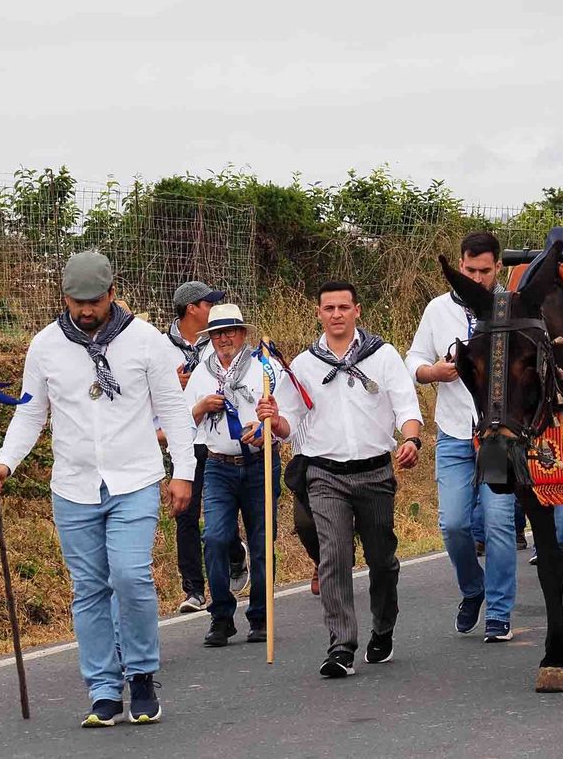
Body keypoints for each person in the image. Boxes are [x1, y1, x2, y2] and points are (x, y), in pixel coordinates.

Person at [0, 251, 195, 726]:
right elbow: (29, 411)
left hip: (135, 479)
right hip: (73, 485)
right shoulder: (45, 346)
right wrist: (4, 463)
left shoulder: (145, 341)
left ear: (111, 292)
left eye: (94, 300)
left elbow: (172, 408)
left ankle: (142, 674)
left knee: (130, 577)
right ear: (63, 297)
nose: (86, 310)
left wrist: (183, 470)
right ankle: (104, 690)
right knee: (88, 589)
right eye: (76, 301)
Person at [289, 281, 423, 679]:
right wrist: (270, 418)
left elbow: (406, 405)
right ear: (319, 314)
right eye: (328, 308)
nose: (336, 315)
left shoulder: (381, 355)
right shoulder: (303, 365)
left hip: (375, 471)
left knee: (381, 559)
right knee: (335, 558)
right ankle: (341, 645)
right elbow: (287, 421)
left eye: (343, 307)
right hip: (325, 474)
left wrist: (412, 439)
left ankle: (383, 627)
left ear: (357, 311)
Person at [406, 231, 519, 643]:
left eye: (484, 271)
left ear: (498, 268)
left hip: (497, 438)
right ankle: (474, 590)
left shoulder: (511, 308)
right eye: (469, 270)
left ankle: (500, 612)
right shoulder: (437, 309)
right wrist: (432, 372)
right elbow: (413, 359)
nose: (476, 278)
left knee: (498, 523)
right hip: (454, 432)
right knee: (453, 525)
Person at [184, 304, 296, 647]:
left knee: (263, 542)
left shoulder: (266, 367)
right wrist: (202, 407)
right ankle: (221, 617)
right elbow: (183, 423)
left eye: (231, 331)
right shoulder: (201, 373)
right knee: (215, 538)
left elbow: (288, 419)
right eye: (218, 333)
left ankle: (261, 616)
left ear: (243, 334)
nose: (224, 338)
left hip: (259, 463)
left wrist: (269, 429)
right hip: (218, 465)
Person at [165, 279, 247, 613]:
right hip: (183, 436)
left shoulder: (221, 342)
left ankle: (236, 556)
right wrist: (174, 382)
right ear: (191, 309)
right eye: (208, 303)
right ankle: (194, 590)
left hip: (216, 439)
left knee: (218, 516)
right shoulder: (159, 346)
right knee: (184, 511)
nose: (213, 309)